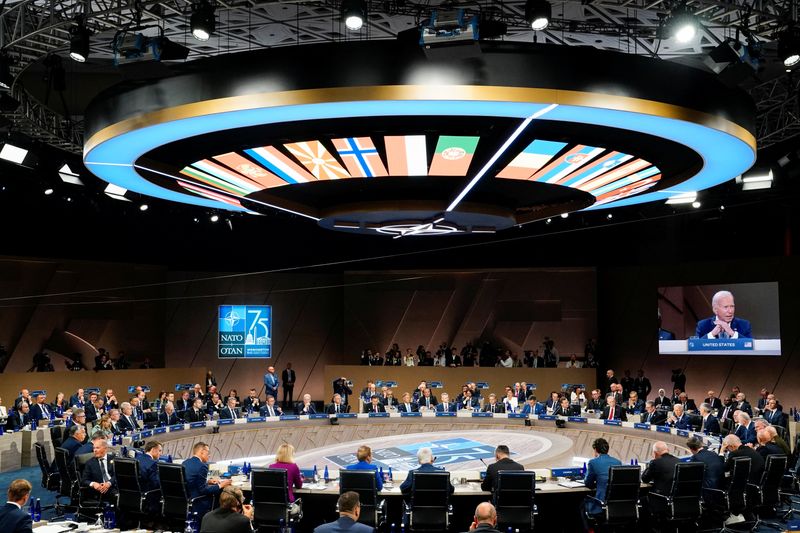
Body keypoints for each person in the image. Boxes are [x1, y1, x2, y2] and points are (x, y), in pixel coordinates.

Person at [184, 442, 231, 518]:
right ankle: (217, 520)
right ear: (202, 452)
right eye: (208, 452)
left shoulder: (185, 462)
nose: (209, 455)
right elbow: (203, 490)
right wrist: (221, 485)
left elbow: (191, 480)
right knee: (219, 493)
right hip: (198, 500)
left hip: (187, 497)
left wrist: (207, 481)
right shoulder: (202, 466)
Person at [582, 438, 622, 525]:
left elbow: (588, 484)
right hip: (616, 505)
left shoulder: (593, 462)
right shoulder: (618, 462)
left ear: (595, 450)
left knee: (581, 505)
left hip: (601, 503)